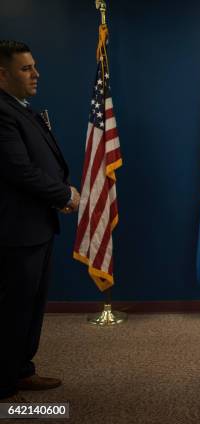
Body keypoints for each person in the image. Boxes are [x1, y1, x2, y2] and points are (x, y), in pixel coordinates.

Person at [0, 40, 80, 402]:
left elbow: (38, 164)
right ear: (2, 74)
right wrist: (63, 195)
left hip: (37, 224)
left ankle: (20, 370)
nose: (36, 74)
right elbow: (18, 169)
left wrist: (57, 193)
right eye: (25, 68)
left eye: (34, 66)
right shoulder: (2, 113)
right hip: (14, 231)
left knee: (29, 305)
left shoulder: (20, 109)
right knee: (12, 308)